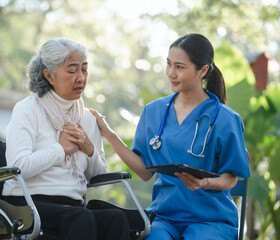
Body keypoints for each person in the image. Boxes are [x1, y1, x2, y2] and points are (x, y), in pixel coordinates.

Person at [90, 33, 251, 240]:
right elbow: (144, 172)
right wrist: (109, 135)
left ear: (202, 71)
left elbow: (230, 179)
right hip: (164, 218)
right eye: (169, 64)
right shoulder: (153, 112)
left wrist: (205, 184)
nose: (171, 73)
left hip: (211, 220)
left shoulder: (225, 118)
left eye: (180, 67)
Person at [2, 38, 130, 240]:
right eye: (72, 71)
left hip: (72, 205)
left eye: (84, 70)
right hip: (27, 204)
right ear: (49, 76)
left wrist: (89, 149)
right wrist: (60, 150)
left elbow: (98, 175)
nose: (80, 78)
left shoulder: (87, 118)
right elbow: (19, 167)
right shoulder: (28, 109)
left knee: (116, 218)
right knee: (80, 218)